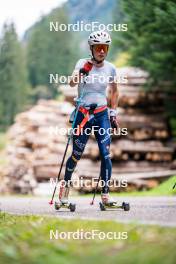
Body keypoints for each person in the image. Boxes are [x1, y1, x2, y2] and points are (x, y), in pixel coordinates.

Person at [57, 31, 119, 205]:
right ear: (91, 49)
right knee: (76, 154)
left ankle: (105, 195)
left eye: (105, 48)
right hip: (83, 115)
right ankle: (64, 191)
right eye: (99, 48)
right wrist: (83, 71)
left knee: (106, 154)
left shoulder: (111, 68)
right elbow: (71, 83)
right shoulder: (82, 63)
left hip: (101, 115)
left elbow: (114, 91)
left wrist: (113, 112)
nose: (102, 51)